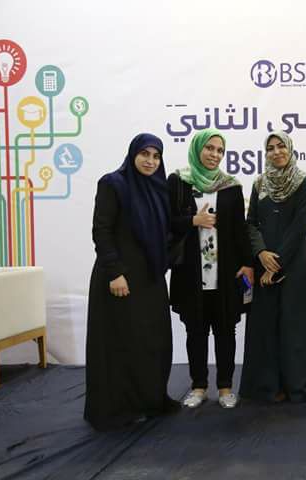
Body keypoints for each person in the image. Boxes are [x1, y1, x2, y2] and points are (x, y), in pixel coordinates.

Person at [85, 133, 179, 430]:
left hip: (150, 278)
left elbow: (167, 230)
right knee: (122, 343)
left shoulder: (159, 189)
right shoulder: (114, 184)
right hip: (120, 278)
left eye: (156, 156)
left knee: (152, 341)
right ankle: (120, 407)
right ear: (133, 154)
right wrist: (115, 272)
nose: (150, 161)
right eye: (145, 154)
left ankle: (150, 399)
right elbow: (101, 230)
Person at [168, 129, 253, 409]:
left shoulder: (231, 186)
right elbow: (168, 222)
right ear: (197, 149)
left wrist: (247, 263)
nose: (214, 154)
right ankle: (199, 386)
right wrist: (193, 220)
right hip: (191, 273)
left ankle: (226, 387)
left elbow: (240, 229)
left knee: (226, 330)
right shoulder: (178, 181)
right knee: (196, 331)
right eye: (209, 148)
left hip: (225, 273)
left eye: (220, 150)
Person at [239, 131, 306, 403]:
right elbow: (251, 223)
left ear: (290, 149)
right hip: (263, 262)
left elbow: (300, 227)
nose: (276, 152)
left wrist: (274, 265)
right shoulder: (260, 183)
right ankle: (268, 386)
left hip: (293, 264)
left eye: (281, 146)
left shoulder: (303, 181)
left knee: (295, 326)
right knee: (265, 327)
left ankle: (297, 385)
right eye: (270, 148)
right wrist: (261, 252)